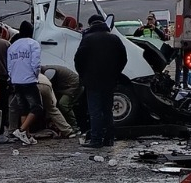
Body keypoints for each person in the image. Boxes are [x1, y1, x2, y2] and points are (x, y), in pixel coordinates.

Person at [74, 13, 127, 149]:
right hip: (109, 80)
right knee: (107, 110)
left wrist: (83, 75)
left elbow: (78, 59)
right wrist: (115, 73)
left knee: (95, 110)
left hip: (92, 81)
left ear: (91, 24)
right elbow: (123, 58)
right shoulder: (114, 39)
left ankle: (96, 140)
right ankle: (109, 139)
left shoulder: (87, 39)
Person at [5, 20, 43, 145]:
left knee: (23, 109)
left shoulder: (12, 46)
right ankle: (21, 131)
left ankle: (26, 136)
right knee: (37, 107)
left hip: (16, 80)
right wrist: (35, 75)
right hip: (29, 79)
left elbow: (9, 65)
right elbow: (36, 63)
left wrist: (12, 77)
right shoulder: (33, 44)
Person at [38, 71, 76, 138]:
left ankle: (17, 131)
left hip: (29, 83)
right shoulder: (43, 74)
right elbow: (53, 102)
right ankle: (68, 131)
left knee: (15, 108)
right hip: (46, 84)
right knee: (52, 109)